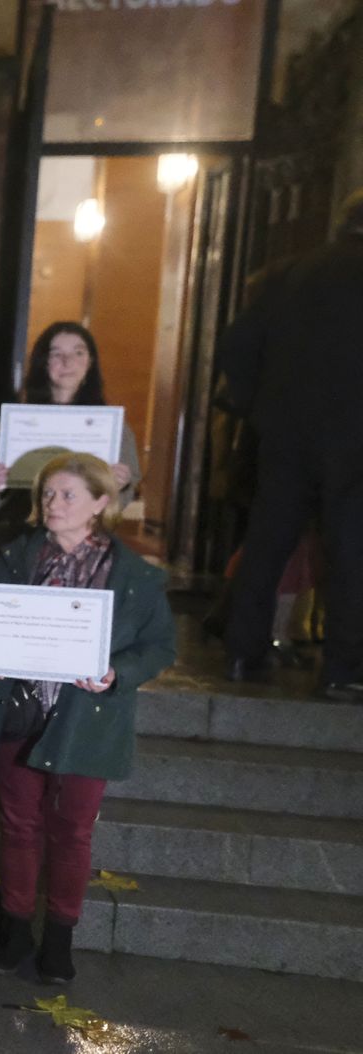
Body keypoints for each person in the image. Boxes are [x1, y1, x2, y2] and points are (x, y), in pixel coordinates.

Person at [0, 453, 175, 984]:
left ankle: (60, 936)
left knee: (74, 832)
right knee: (18, 826)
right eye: (47, 495)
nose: (53, 505)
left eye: (67, 495)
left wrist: (116, 671)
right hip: (21, 711)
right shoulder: (14, 557)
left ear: (101, 504)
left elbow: (159, 647)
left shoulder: (135, 577)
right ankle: (14, 928)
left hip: (89, 718)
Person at [218, 191, 363, 700]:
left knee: (267, 540)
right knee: (350, 548)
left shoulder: (290, 274)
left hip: (285, 433)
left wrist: (259, 407)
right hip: (354, 438)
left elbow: (235, 346)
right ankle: (344, 667)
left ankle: (242, 650)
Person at [0, 322, 142, 555]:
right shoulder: (14, 423)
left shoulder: (114, 429)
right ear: (43, 363)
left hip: (85, 549)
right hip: (19, 545)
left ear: (90, 362)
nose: (68, 362)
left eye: (78, 353)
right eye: (57, 354)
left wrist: (119, 485)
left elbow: (119, 505)